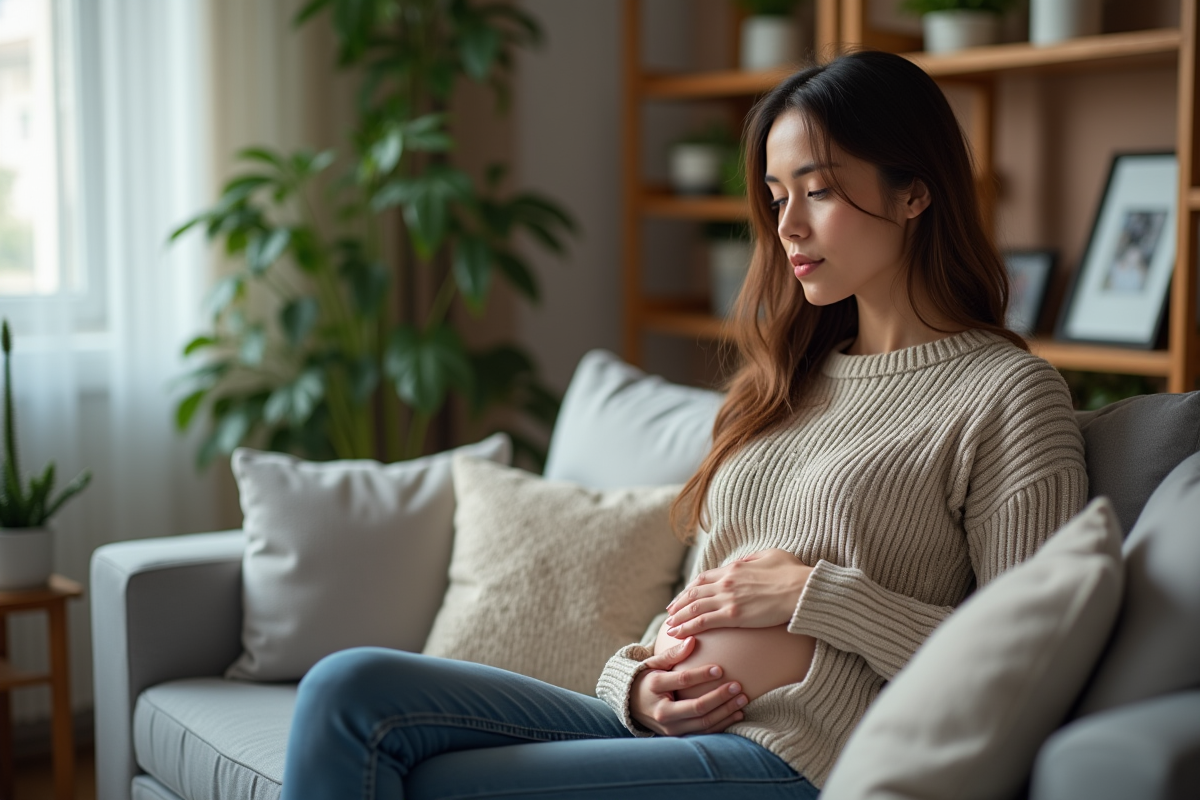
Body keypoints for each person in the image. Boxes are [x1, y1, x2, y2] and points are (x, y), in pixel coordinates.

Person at [279, 50, 1086, 800]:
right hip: (659, 728)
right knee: (348, 690)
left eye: (820, 190)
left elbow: (1024, 665)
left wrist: (815, 595)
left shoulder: (1007, 395)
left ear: (915, 191)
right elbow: (694, 599)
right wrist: (633, 684)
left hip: (796, 758)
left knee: (438, 783)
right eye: (775, 198)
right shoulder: (785, 384)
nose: (788, 228)